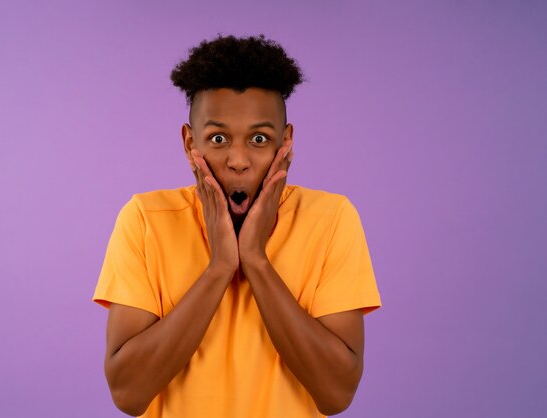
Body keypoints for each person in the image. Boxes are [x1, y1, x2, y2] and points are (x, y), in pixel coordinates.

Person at [92, 34, 382, 418]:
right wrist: (219, 269)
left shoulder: (331, 219)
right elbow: (128, 393)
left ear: (287, 142)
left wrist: (256, 261)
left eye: (259, 138)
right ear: (188, 142)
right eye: (218, 138)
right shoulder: (145, 219)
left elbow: (336, 394)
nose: (239, 160)